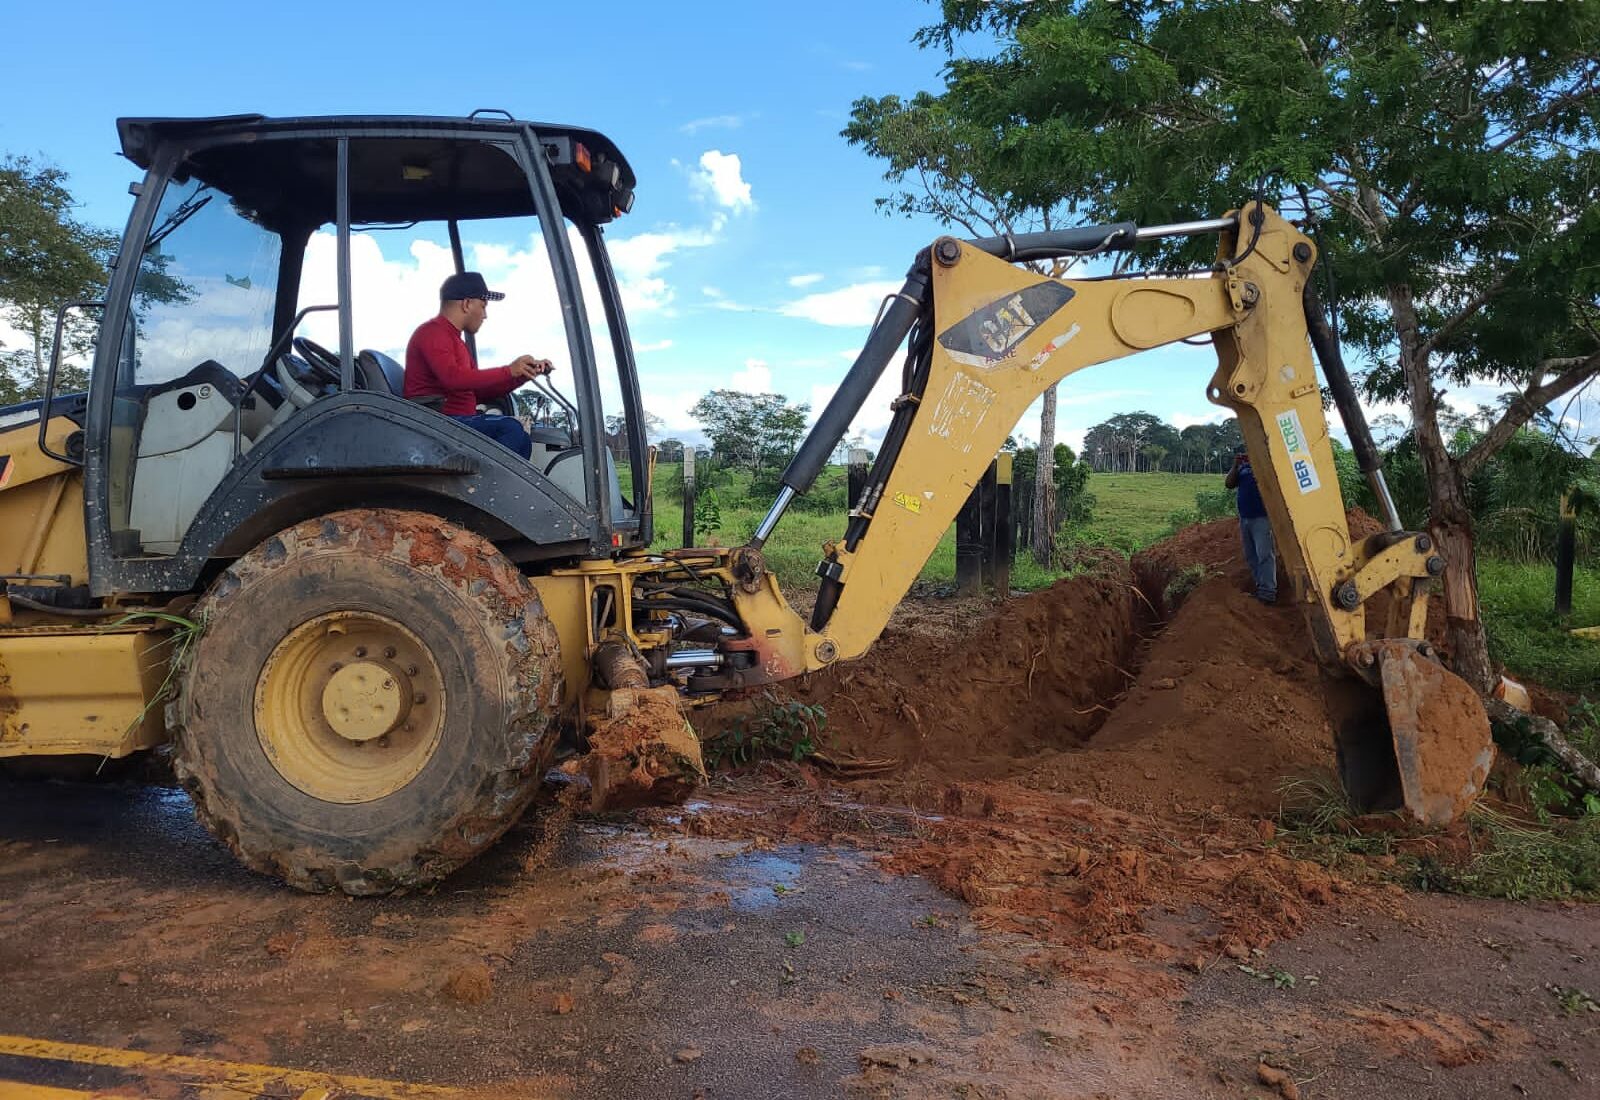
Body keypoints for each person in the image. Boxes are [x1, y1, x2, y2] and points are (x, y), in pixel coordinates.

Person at [404, 271, 553, 458]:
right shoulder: (432, 333)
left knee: (521, 436)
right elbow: (452, 378)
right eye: (483, 306)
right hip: (436, 423)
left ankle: (504, 486)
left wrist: (521, 374)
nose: (485, 315)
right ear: (467, 304)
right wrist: (508, 371)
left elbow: (478, 392)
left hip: (456, 422)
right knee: (510, 429)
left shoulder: (457, 342)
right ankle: (487, 485)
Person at [1226, 444, 1277, 604]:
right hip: (1245, 518)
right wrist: (1236, 465)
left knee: (1265, 555)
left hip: (1262, 517)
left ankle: (1268, 593)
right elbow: (1229, 484)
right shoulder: (1242, 468)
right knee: (1251, 556)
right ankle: (1260, 587)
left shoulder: (1265, 465)